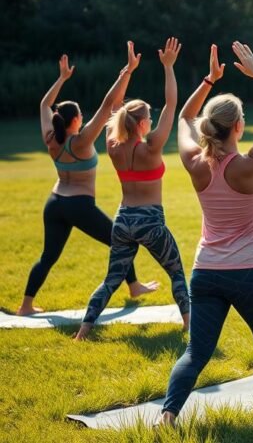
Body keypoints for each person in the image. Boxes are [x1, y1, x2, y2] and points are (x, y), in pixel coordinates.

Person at [159, 42, 253, 426]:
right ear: (238, 126)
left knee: (196, 352)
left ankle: (168, 415)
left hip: (206, 273)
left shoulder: (194, 162)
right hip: (250, 273)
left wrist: (209, 80)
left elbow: (185, 117)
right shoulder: (252, 164)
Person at [19, 48, 158, 316]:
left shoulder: (51, 139)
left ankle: (26, 305)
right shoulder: (81, 142)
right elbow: (108, 105)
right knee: (123, 242)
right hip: (79, 205)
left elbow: (44, 105)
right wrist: (127, 71)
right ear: (75, 120)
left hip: (55, 202)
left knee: (48, 257)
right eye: (81, 116)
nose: (84, 119)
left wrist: (61, 79)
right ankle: (134, 286)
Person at [74, 38, 190, 340]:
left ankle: (84, 330)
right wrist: (168, 67)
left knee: (111, 280)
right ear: (141, 124)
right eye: (148, 118)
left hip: (124, 220)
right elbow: (172, 104)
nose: (152, 121)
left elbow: (112, 106)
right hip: (151, 221)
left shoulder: (113, 146)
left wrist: (128, 71)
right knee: (176, 272)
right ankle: (190, 326)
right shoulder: (151, 147)